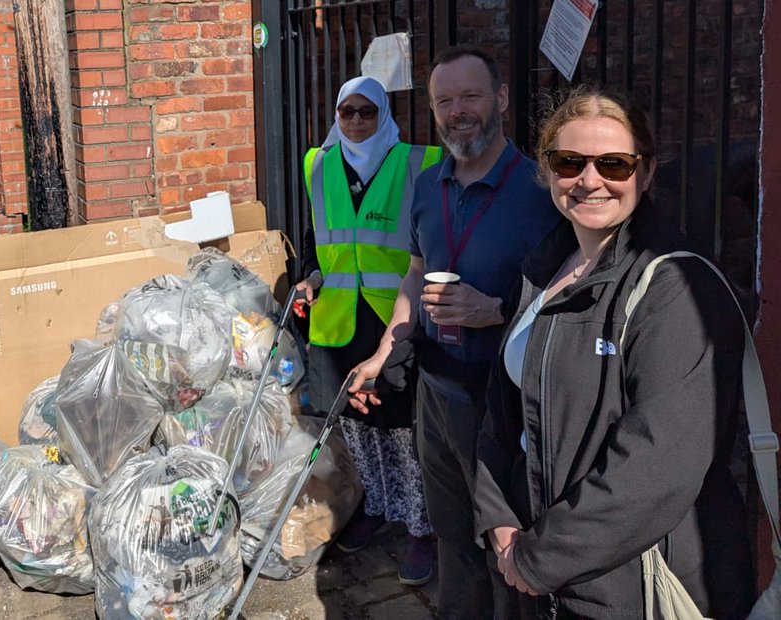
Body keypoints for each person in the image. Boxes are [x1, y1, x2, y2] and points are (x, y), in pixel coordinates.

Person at [473, 87, 754, 618]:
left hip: (632, 583)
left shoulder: (675, 287)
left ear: (646, 174)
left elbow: (655, 466)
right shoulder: (543, 269)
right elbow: (503, 412)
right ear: (547, 170)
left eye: (615, 164)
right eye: (569, 161)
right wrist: (497, 517)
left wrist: (538, 558)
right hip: (536, 566)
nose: (590, 179)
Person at [348, 47, 560, 619]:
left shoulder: (542, 192)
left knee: (506, 544)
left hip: (499, 400)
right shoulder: (427, 185)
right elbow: (415, 276)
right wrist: (383, 352)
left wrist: (495, 309)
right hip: (434, 395)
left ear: (502, 98)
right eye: (445, 100)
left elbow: (570, 296)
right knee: (451, 533)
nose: (457, 110)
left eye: (470, 95)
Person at [295, 76, 441, 585]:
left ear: (384, 114)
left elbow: (430, 241)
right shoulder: (319, 164)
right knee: (357, 425)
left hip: (394, 320)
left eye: (366, 112)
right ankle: (376, 506)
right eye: (346, 111)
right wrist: (311, 276)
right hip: (338, 319)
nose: (355, 121)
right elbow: (319, 237)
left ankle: (421, 528)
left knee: (403, 426)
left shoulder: (418, 163)